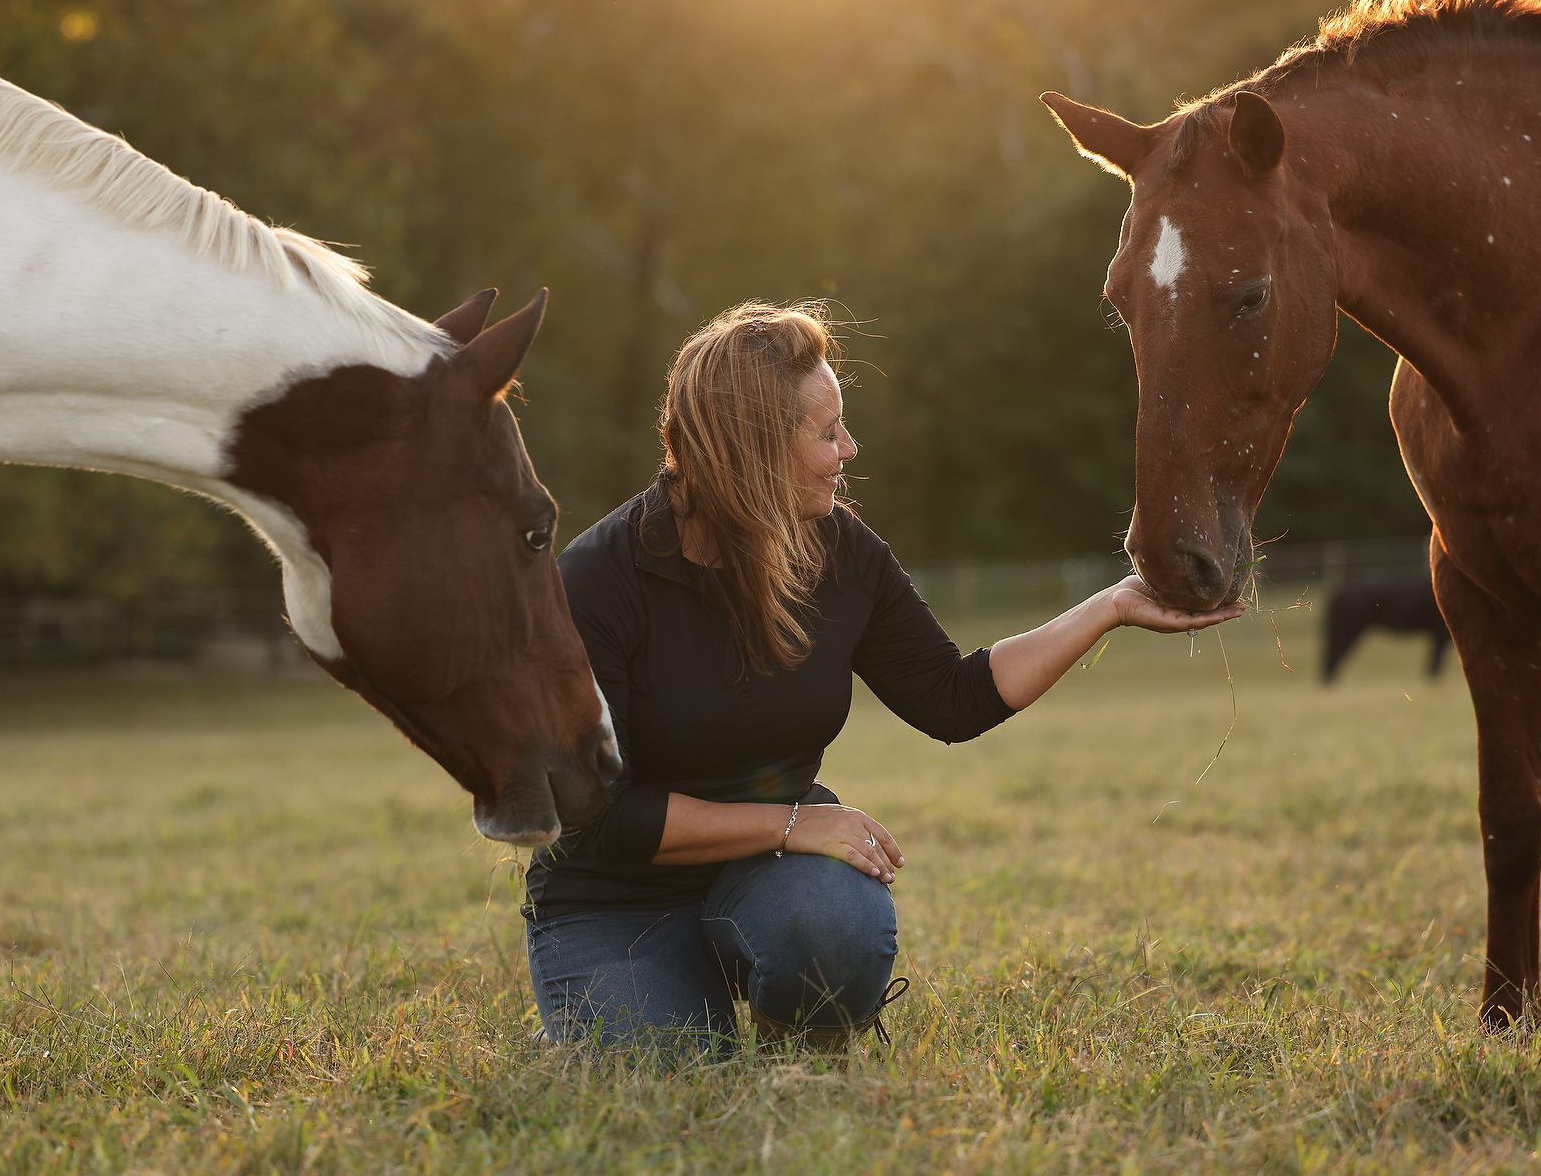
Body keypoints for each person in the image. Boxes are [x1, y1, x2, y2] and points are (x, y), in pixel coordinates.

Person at [523, 301, 1239, 1052]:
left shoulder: (837, 547)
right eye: (827, 432)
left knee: (835, 925)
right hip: (614, 899)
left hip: (767, 875)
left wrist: (1109, 607)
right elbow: (598, 818)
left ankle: (794, 1038)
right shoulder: (598, 580)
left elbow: (952, 696)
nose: (850, 449)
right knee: (662, 1070)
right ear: (753, 452)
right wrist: (793, 823)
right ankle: (604, 1015)